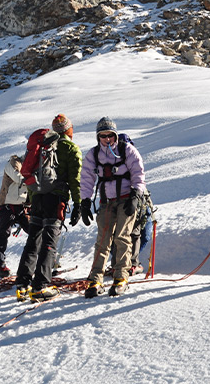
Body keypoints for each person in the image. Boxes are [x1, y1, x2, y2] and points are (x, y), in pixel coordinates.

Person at [15, 114, 82, 302]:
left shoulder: (43, 146)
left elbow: (32, 175)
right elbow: (75, 179)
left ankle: (22, 283)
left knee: (33, 240)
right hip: (56, 200)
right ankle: (40, 286)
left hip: (37, 198)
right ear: (68, 130)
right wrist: (78, 203)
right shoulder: (70, 148)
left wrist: (31, 199)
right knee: (49, 242)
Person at [78, 117, 148, 298]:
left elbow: (138, 173)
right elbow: (86, 178)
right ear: (98, 137)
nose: (107, 139)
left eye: (110, 135)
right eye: (103, 136)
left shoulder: (127, 150)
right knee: (103, 240)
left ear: (115, 135)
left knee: (122, 237)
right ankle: (95, 280)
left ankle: (121, 277)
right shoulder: (93, 155)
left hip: (127, 200)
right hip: (106, 202)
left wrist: (136, 195)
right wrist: (84, 202)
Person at [0, 155, 30, 277]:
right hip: (6, 206)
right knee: (3, 233)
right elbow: (17, 177)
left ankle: (44, 259)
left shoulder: (29, 167)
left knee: (34, 229)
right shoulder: (13, 162)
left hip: (20, 206)